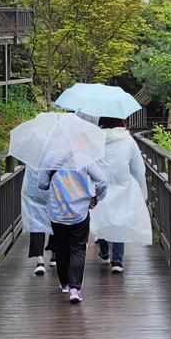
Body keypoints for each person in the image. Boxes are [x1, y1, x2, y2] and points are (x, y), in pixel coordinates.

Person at [38, 161, 108, 303]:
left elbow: (41, 183)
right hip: (79, 212)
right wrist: (96, 198)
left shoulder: (49, 157)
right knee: (78, 249)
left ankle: (64, 283)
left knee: (61, 248)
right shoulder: (84, 157)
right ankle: (75, 289)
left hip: (57, 212)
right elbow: (102, 181)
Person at [90, 116, 149, 273]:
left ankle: (104, 253)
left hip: (99, 185)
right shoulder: (127, 140)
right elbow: (138, 169)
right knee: (120, 220)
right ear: (121, 122)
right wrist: (142, 191)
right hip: (122, 185)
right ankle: (117, 260)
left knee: (101, 218)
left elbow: (89, 163)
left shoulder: (95, 139)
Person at [20, 165, 53, 275]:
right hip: (53, 186)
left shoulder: (32, 151)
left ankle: (40, 260)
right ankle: (55, 254)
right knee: (56, 218)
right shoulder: (58, 150)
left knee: (36, 221)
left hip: (34, 185)